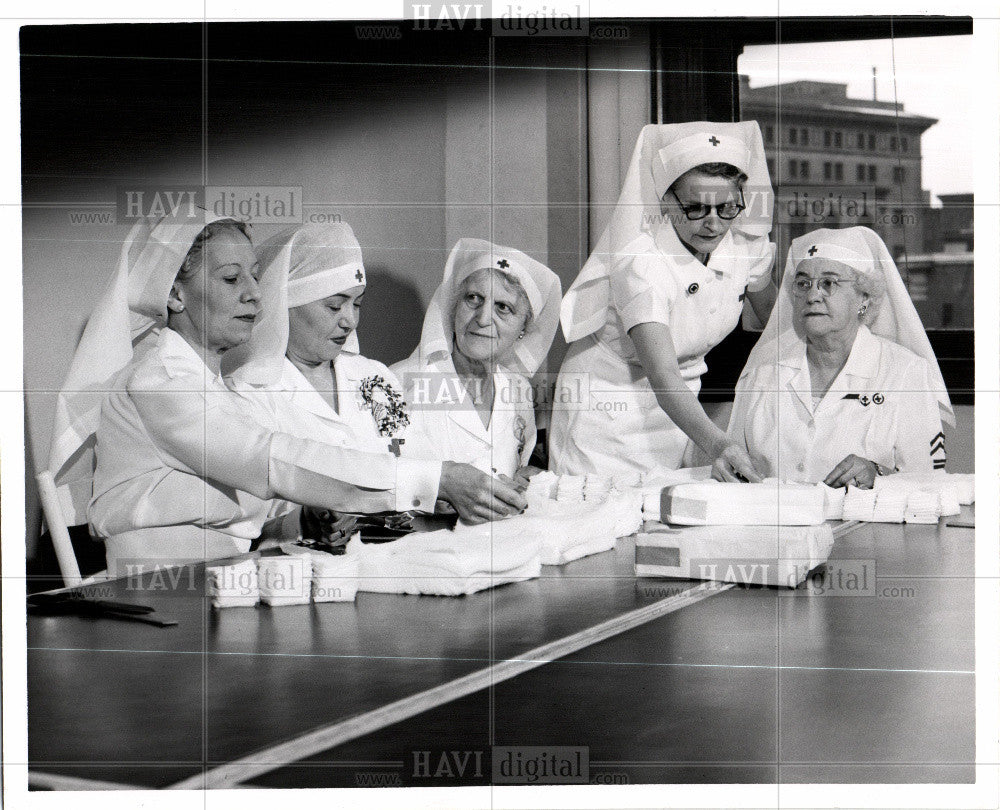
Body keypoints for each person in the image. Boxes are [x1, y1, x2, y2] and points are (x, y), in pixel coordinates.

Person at [50, 213, 523, 572]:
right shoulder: (161, 383)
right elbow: (266, 458)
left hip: (236, 575)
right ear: (174, 295)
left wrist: (307, 518)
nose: (255, 294)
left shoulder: (208, 381)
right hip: (167, 584)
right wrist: (434, 480)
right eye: (233, 279)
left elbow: (260, 500)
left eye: (256, 276)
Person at [550, 122, 777, 484]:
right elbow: (663, 373)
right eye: (695, 209)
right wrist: (719, 444)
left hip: (680, 407)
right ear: (667, 200)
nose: (713, 224)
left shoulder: (745, 247)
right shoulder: (641, 264)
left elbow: (774, 322)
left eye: (727, 208)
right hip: (607, 409)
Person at [727, 226, 953, 487]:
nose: (813, 296)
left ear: (864, 298)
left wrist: (877, 475)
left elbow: (929, 484)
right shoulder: (763, 368)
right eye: (803, 284)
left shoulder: (906, 372)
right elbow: (732, 468)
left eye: (829, 283)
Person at [391, 238, 562, 481]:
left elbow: (514, 465)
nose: (483, 318)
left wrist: (523, 478)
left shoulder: (518, 391)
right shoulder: (399, 385)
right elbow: (384, 480)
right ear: (454, 306)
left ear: (523, 327)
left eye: (503, 307)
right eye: (473, 298)